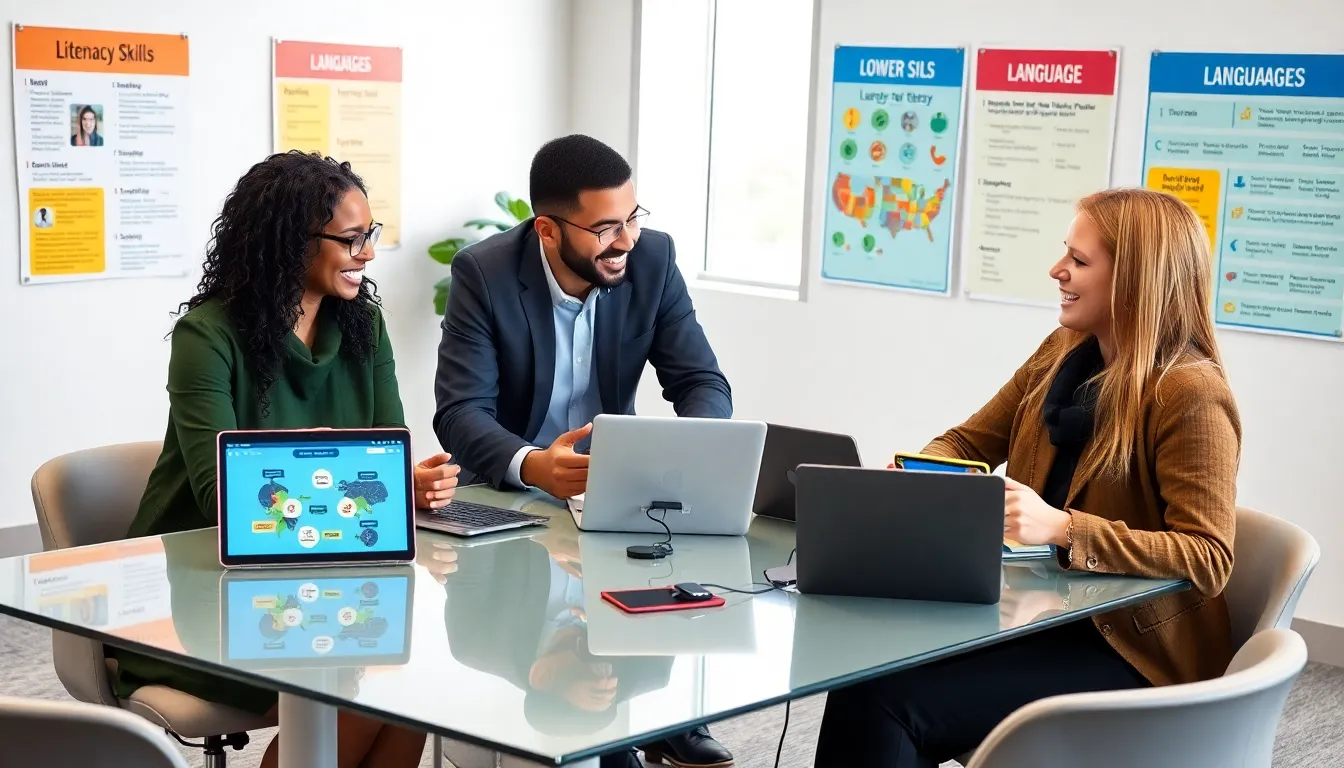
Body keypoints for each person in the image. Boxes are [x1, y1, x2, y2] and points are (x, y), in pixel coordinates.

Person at [813, 187, 1241, 767]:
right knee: (866, 677)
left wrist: (1064, 527)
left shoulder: (1190, 393)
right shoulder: (1064, 351)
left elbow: (1208, 556)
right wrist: (919, 474)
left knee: (889, 703)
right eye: (1066, 252)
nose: (1056, 270)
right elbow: (968, 442)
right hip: (1047, 614)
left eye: (1080, 261)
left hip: (1131, 649)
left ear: (1136, 281)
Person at [118, 150, 460, 768]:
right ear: (288, 243)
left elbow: (386, 453)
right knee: (362, 689)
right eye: (353, 239)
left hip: (324, 577)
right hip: (203, 589)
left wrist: (406, 483)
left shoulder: (364, 326)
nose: (369, 254)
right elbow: (221, 498)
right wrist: (350, 469)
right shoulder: (207, 336)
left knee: (412, 683)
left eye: (371, 235)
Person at [433, 134, 734, 767]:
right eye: (605, 228)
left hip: (613, 486)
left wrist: (692, 449)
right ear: (547, 228)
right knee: (560, 608)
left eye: (631, 218)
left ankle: (658, 714)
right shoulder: (484, 274)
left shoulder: (651, 261)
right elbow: (460, 412)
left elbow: (701, 381)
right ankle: (608, 724)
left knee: (682, 568)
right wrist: (533, 463)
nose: (625, 240)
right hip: (514, 498)